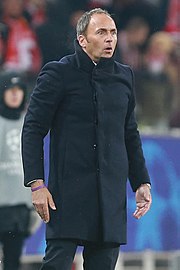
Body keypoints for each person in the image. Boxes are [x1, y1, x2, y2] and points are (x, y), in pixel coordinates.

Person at [21, 8, 152, 270]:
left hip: (110, 197)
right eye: (101, 32)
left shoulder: (124, 76)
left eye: (113, 32)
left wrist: (141, 181)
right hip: (68, 193)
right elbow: (33, 128)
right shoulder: (58, 74)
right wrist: (37, 184)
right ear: (82, 39)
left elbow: (129, 132)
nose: (110, 39)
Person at [0, 71, 32, 270]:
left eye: (19, 90)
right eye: (10, 90)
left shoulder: (30, 124)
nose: (14, 94)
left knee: (13, 262)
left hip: (20, 209)